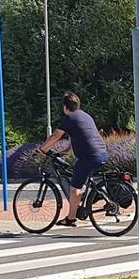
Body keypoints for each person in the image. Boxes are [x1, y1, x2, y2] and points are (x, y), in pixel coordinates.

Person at [43, 91, 107, 227]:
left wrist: (42, 149)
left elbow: (55, 136)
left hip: (89, 156)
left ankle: (71, 218)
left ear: (65, 107)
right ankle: (93, 195)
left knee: (74, 188)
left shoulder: (70, 118)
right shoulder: (85, 116)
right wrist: (64, 151)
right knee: (78, 177)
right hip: (101, 153)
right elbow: (82, 137)